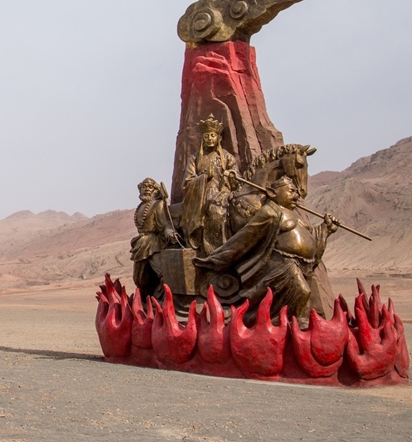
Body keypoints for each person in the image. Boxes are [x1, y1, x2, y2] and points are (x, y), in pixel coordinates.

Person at [193, 176, 339, 326]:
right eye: (291, 191)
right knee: (303, 291)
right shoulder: (270, 212)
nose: (296, 196)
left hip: (302, 264)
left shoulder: (294, 213)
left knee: (301, 296)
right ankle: (292, 324)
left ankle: (292, 322)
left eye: (296, 192)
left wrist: (326, 229)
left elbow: (310, 236)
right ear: (272, 193)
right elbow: (246, 236)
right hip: (282, 263)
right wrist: (217, 258)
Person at [181, 115, 238, 257]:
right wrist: (204, 177)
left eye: (213, 135)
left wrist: (230, 175)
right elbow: (187, 182)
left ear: (219, 138)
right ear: (202, 138)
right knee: (213, 212)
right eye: (206, 136)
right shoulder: (195, 158)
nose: (209, 138)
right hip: (202, 196)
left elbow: (237, 178)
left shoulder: (227, 157)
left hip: (224, 193)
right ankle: (211, 252)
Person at [131, 178, 177, 299]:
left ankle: (168, 298)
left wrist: (169, 233)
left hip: (152, 244)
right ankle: (147, 300)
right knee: (139, 278)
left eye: (150, 187)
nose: (146, 189)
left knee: (162, 272)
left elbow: (164, 224)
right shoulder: (141, 206)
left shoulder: (158, 204)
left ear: (155, 190)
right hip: (140, 244)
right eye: (144, 187)